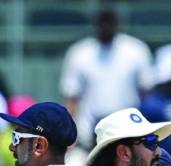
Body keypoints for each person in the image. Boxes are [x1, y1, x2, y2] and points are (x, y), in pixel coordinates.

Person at [60, 6, 154, 149]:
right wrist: (69, 138)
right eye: (102, 22)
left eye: (110, 21)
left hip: (128, 135)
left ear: (118, 23)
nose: (106, 26)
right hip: (88, 139)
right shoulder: (79, 53)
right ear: (96, 24)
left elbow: (146, 96)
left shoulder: (137, 50)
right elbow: (72, 99)